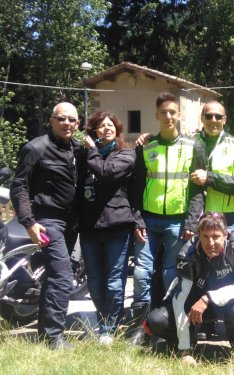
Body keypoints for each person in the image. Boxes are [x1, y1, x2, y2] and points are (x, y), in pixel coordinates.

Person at [129, 92, 204, 344]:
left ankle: (165, 324)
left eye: (173, 112)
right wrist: (137, 218)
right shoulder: (146, 146)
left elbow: (197, 190)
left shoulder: (194, 147)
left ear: (179, 114)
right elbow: (136, 187)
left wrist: (192, 222)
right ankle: (138, 327)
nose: (169, 116)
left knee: (171, 275)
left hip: (178, 222)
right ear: (156, 115)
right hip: (148, 221)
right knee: (141, 273)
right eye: (164, 112)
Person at [10, 102, 84, 350]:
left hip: (71, 222)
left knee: (55, 276)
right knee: (63, 276)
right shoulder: (36, 148)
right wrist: (29, 222)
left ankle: (46, 331)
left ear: (78, 123)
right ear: (51, 121)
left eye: (72, 120)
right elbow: (19, 186)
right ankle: (54, 336)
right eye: (61, 119)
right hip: (47, 220)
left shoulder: (78, 148)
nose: (67, 124)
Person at [144, 212, 234, 365]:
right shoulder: (186, 253)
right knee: (156, 321)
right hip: (193, 305)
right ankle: (184, 341)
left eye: (216, 236)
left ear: (225, 234)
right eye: (205, 236)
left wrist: (208, 297)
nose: (210, 242)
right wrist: (184, 350)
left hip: (229, 303)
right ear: (198, 234)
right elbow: (181, 300)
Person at [79, 111, 143, 345]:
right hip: (89, 227)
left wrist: (91, 151)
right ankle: (101, 319)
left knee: (115, 280)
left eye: (110, 125)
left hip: (117, 226)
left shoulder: (125, 154)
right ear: (93, 131)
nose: (106, 129)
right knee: (95, 281)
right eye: (101, 126)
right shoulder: (84, 155)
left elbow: (107, 173)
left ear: (117, 131)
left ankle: (109, 327)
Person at [190, 101, 234, 229]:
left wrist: (209, 178)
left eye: (218, 116)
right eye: (208, 116)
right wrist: (148, 137)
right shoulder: (189, 141)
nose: (213, 120)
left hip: (229, 218)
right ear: (201, 118)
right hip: (195, 217)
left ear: (224, 120)